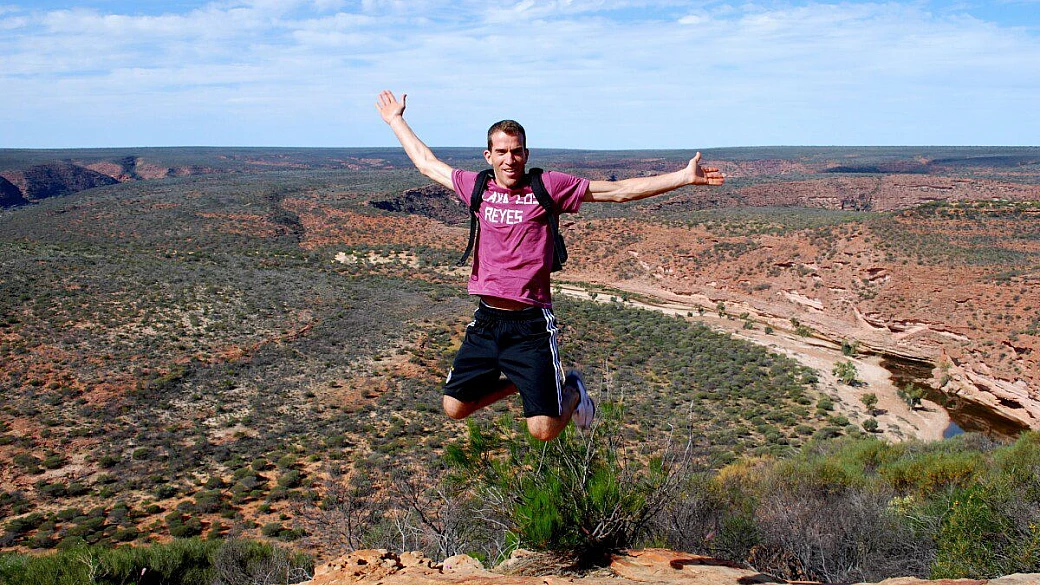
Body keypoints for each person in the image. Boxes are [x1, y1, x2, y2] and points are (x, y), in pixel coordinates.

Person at [376, 90, 724, 441]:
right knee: (455, 407)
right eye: (501, 152)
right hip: (487, 320)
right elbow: (427, 163)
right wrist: (396, 120)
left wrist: (682, 177)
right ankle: (521, 381)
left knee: (543, 431)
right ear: (488, 155)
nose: (509, 159)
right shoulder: (477, 186)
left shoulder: (548, 187)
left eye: (516, 151)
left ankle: (572, 391)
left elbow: (618, 191)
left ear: (526, 154)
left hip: (530, 325)